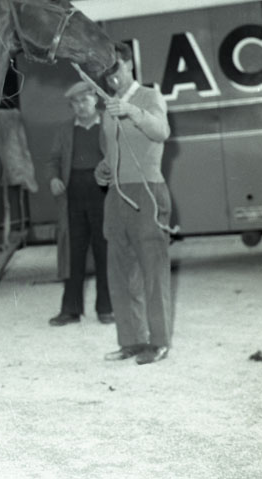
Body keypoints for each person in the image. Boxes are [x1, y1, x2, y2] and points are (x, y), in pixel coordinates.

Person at [95, 42, 173, 365]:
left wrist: (132, 111)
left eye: (114, 67)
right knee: (120, 272)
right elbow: (111, 151)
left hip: (147, 192)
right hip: (117, 196)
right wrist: (103, 169)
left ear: (128, 64)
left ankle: (159, 342)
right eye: (105, 70)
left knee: (153, 272)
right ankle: (131, 341)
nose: (110, 75)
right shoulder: (107, 106)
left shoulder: (150, 97)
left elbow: (161, 131)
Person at [48, 81, 114, 327]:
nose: (80, 106)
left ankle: (106, 308)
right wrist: (53, 178)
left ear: (95, 100)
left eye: (84, 100)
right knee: (73, 253)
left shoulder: (109, 124)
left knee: (104, 250)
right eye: (75, 103)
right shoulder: (64, 130)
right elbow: (53, 160)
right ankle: (70, 310)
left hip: (103, 193)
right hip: (73, 194)